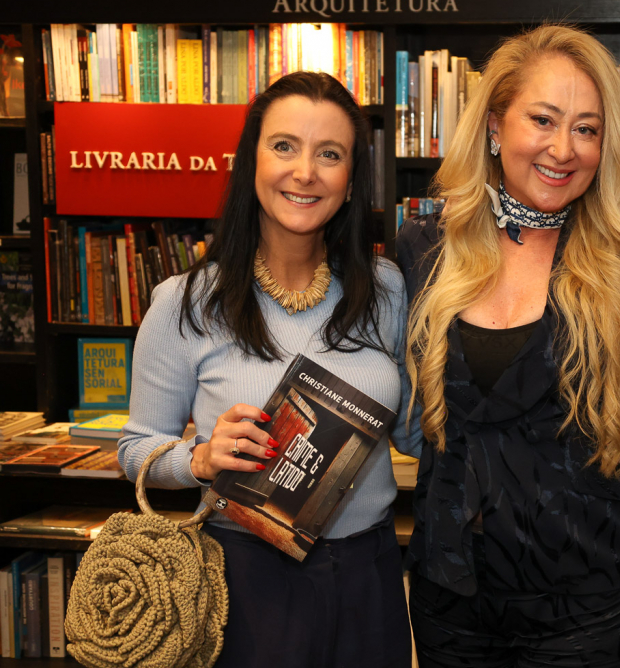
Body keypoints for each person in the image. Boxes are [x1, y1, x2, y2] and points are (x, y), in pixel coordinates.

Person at [118, 71, 414, 668]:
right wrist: (198, 459)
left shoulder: (385, 289)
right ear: (250, 161)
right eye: (284, 146)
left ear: (350, 181)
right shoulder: (185, 302)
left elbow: (412, 432)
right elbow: (134, 450)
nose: (305, 171)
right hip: (245, 580)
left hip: (369, 574)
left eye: (329, 154)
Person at [393, 25, 620, 668]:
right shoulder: (424, 248)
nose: (564, 149)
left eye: (587, 129)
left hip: (581, 603)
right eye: (543, 119)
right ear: (494, 127)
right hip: (448, 597)